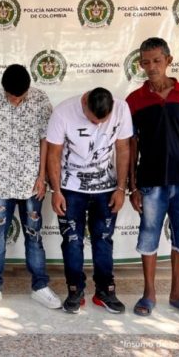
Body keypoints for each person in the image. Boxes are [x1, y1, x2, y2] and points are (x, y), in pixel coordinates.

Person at [126, 37, 179, 317]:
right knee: (148, 237)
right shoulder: (134, 100)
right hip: (150, 181)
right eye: (146, 62)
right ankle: (149, 294)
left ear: (168, 61)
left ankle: (177, 293)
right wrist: (132, 185)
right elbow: (131, 145)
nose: (151, 67)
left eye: (157, 61)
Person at [0, 64, 61, 311]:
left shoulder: (40, 99)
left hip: (31, 183)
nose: (15, 100)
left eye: (20, 96)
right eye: (11, 95)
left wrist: (42, 177)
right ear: (3, 89)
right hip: (1, 182)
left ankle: (40, 287)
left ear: (28, 89)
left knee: (34, 237)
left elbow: (45, 140)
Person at [46, 87, 131, 314]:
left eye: (101, 122)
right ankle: (75, 290)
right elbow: (53, 154)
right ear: (84, 102)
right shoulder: (63, 112)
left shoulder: (121, 109)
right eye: (92, 120)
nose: (96, 126)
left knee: (103, 239)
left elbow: (123, 149)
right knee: (72, 241)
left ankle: (105, 291)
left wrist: (121, 188)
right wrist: (56, 191)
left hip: (107, 188)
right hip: (70, 189)